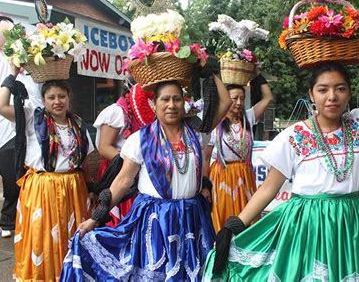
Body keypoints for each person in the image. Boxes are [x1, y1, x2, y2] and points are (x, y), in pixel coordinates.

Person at [203, 32, 359, 281]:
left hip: (352, 224)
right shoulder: (294, 135)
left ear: (349, 93)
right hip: (309, 227)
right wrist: (236, 224)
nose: (332, 97)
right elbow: (268, 189)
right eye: (323, 89)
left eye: (340, 89)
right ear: (311, 94)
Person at [60, 73, 232, 281]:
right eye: (165, 99)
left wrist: (203, 68)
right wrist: (95, 219)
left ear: (184, 102)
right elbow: (123, 181)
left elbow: (225, 101)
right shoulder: (140, 140)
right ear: (153, 104)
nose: (171, 105)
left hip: (192, 216)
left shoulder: (196, 134)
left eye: (176, 99)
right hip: (156, 219)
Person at [0, 65, 95, 281]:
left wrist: (91, 189)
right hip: (42, 189)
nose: (57, 101)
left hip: (73, 189)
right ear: (44, 100)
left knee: (70, 237)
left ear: (69, 98)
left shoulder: (78, 125)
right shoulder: (32, 118)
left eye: (61, 96)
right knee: (43, 239)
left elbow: (84, 161)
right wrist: (12, 73)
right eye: (51, 97)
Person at [0, 12, 42, 238]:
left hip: (28, 122)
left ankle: (23, 219)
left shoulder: (26, 58)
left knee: (29, 177)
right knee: (12, 178)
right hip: (1, 127)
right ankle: (8, 220)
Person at [202, 76, 273, 231]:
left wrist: (257, 74)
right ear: (226, 100)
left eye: (242, 98)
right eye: (234, 98)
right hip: (222, 176)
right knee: (222, 214)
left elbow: (268, 97)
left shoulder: (248, 117)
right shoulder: (215, 123)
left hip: (245, 175)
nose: (239, 102)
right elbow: (206, 157)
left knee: (248, 215)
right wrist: (204, 185)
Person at [93, 81, 155, 226]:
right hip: (118, 168)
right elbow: (104, 147)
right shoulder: (117, 112)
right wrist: (131, 163)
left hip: (136, 171)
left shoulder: (149, 110)